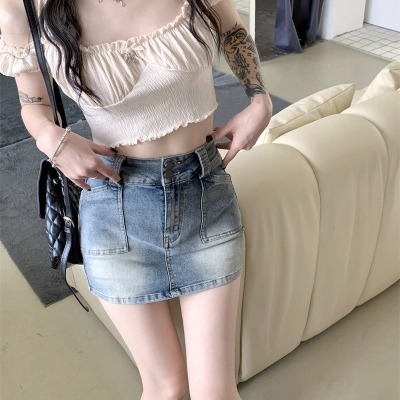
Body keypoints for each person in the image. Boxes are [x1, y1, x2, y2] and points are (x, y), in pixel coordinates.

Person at [0, 0, 272, 398]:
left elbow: (232, 31)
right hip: (115, 209)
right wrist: (51, 139)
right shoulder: (24, 6)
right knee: (165, 388)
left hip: (204, 195)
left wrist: (260, 100)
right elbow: (34, 103)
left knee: (215, 392)